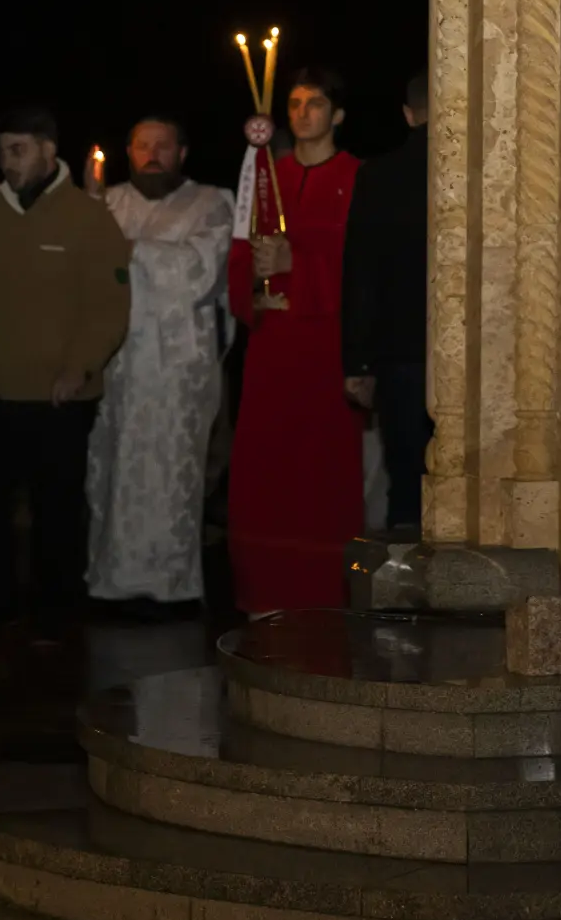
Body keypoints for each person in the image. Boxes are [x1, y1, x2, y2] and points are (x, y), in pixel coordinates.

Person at [0, 105, 131, 635]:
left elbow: (109, 307)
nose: (8, 162)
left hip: (60, 394)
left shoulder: (90, 218)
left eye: (19, 150)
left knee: (57, 508)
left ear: (49, 150)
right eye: (2, 151)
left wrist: (79, 368)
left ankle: (57, 612)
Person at [227, 65, 363, 611]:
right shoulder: (265, 177)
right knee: (266, 470)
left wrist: (298, 265)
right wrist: (252, 288)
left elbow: (367, 270)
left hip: (327, 349)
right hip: (272, 349)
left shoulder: (357, 178)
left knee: (322, 472)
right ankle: (265, 592)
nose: (303, 113)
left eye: (315, 103)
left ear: (338, 114)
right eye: (295, 103)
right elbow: (239, 253)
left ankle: (328, 595)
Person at [86, 114, 233, 611]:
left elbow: (202, 269)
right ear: (128, 152)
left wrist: (128, 251)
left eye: (162, 145)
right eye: (142, 145)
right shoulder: (105, 203)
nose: (152, 154)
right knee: (112, 469)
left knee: (173, 474)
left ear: (182, 153)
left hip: (178, 369)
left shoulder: (211, 203)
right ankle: (109, 582)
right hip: (117, 363)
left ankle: (172, 586)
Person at [343, 72, 431, 534]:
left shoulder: (378, 176)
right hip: (479, 347)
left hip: (401, 348)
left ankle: (404, 570)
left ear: (408, 114)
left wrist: (358, 360)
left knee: (406, 478)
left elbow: (362, 271)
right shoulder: (487, 168)